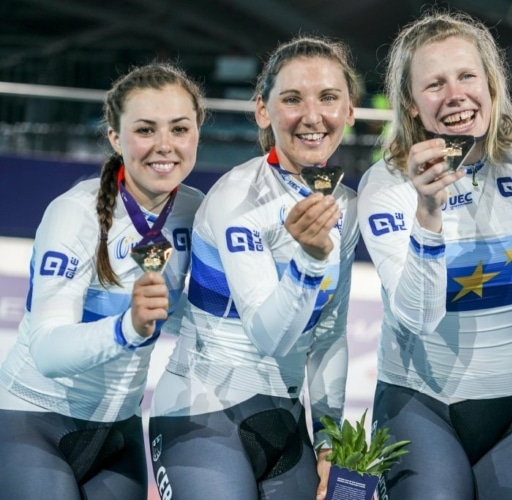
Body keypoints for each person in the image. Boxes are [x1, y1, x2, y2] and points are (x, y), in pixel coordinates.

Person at [357, 10, 512, 500]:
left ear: (491, 85)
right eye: (434, 84)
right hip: (420, 404)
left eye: (467, 76)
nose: (455, 95)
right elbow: (418, 316)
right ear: (410, 105)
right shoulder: (387, 186)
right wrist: (428, 212)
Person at [148, 35, 361, 500]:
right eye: (291, 99)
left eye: (328, 98)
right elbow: (272, 336)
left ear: (350, 110)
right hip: (201, 412)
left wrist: (329, 440)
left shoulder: (347, 205)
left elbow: (328, 334)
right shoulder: (237, 197)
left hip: (283, 420)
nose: (312, 115)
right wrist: (308, 259)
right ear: (263, 111)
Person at [0, 62, 206, 499]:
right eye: (146, 130)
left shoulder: (194, 208)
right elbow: (48, 349)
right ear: (115, 136)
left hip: (120, 430)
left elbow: (177, 319)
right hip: (33, 422)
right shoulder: (74, 213)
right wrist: (126, 327)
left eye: (180, 129)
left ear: (197, 133)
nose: (165, 146)